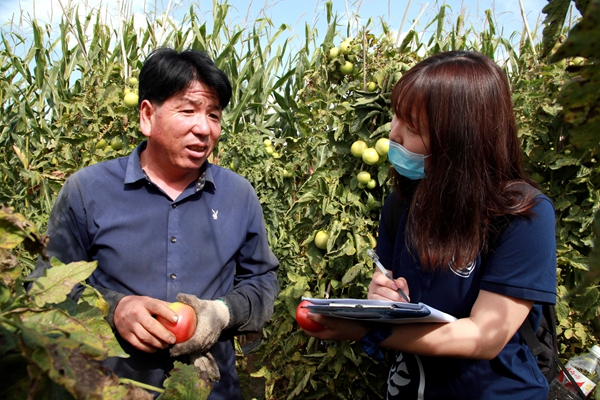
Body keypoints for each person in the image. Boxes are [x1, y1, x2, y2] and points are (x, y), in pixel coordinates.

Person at [30, 47, 280, 399]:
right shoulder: (89, 191)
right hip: (107, 389)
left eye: (214, 115)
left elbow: (263, 280)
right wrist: (115, 308)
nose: (204, 128)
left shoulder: (238, 195)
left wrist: (221, 313)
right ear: (147, 116)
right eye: (188, 110)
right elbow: (45, 286)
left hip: (209, 391)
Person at [304, 51, 556, 399]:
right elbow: (391, 287)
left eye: (413, 128)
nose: (394, 134)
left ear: (461, 140)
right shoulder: (402, 205)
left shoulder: (523, 216)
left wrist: (365, 329)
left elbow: (484, 336)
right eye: (396, 117)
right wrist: (381, 298)